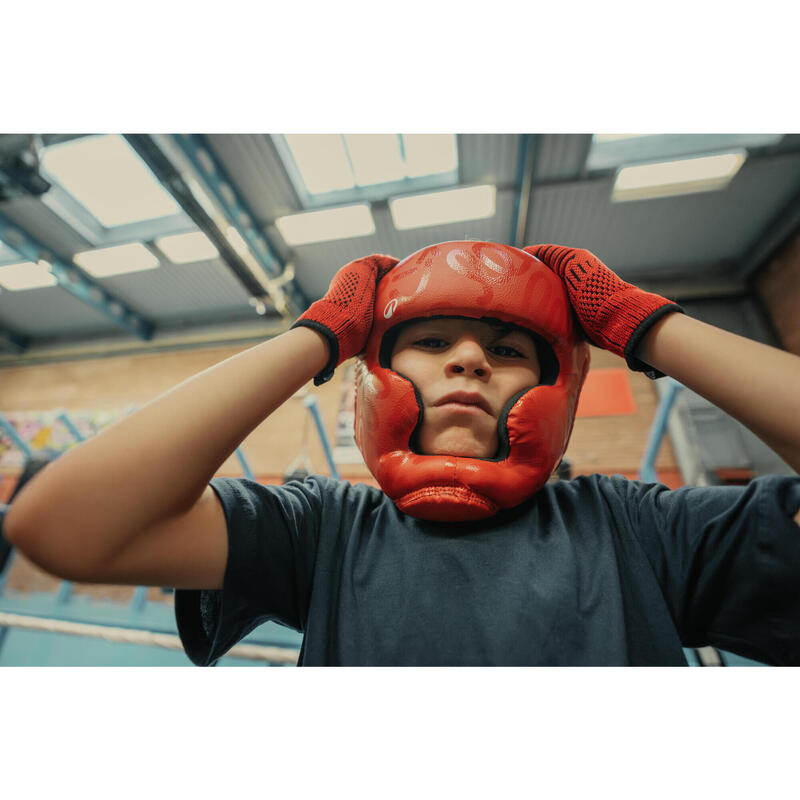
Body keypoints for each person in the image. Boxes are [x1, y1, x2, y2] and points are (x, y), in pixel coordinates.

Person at [4, 242, 800, 666]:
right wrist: (313, 338)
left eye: (509, 349)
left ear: (560, 383)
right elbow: (61, 527)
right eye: (427, 340)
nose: (468, 361)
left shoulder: (642, 532)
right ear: (372, 374)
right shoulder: (322, 530)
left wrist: (642, 324)